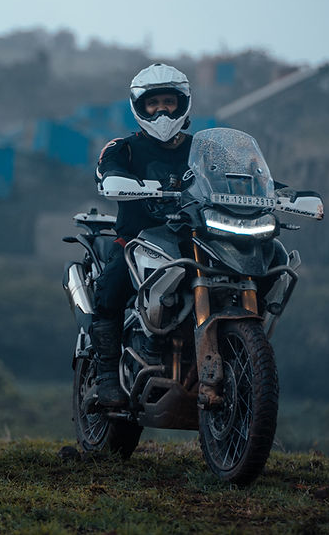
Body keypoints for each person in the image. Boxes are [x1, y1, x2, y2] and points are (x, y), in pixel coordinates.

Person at [91, 63, 194, 409]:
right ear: (140, 107)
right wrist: (118, 180)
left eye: (168, 101)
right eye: (154, 103)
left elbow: (237, 176)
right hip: (137, 242)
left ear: (182, 104)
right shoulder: (123, 148)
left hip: (192, 243)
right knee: (111, 284)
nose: (162, 109)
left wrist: (277, 192)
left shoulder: (201, 150)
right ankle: (106, 374)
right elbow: (109, 172)